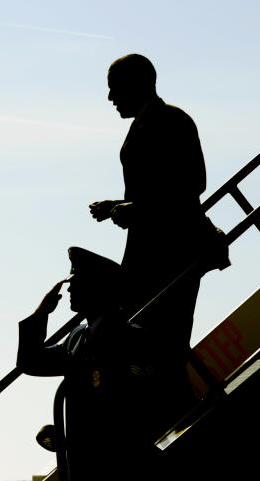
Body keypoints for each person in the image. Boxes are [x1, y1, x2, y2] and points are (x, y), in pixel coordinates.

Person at [18, 247, 173, 481]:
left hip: (121, 472)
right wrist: (40, 314)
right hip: (85, 472)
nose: (68, 289)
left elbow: (146, 408)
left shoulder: (129, 338)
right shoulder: (78, 337)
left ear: (98, 287)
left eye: (77, 283)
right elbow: (31, 362)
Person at [89, 53, 207, 356]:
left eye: (115, 87)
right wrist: (117, 205)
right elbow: (159, 189)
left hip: (172, 250)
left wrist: (137, 209)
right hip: (148, 251)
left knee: (164, 339)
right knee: (145, 338)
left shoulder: (173, 120)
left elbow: (192, 184)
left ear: (136, 84)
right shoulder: (141, 125)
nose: (110, 96)